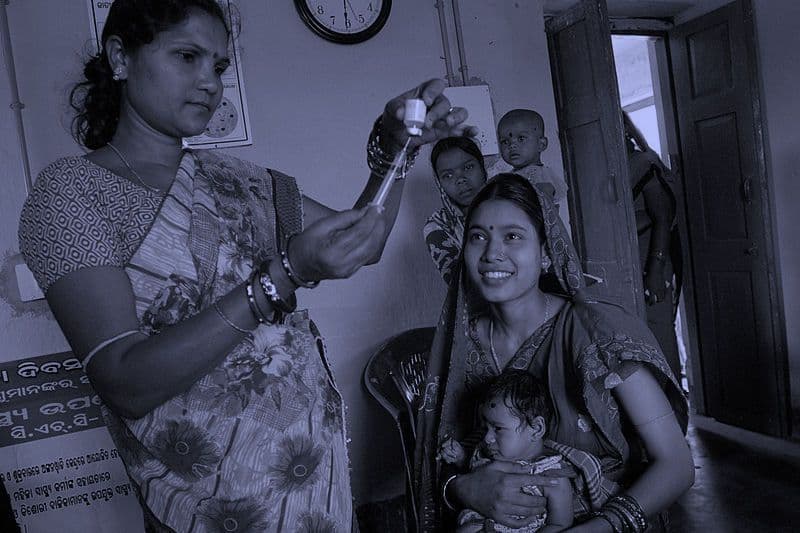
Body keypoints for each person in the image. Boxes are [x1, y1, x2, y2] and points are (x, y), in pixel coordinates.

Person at [17, 1, 474, 531]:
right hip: (209, 509)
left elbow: (361, 242)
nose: (208, 82)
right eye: (186, 56)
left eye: (217, 67)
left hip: (315, 494)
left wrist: (394, 152)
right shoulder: (71, 195)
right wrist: (283, 276)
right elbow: (124, 381)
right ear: (120, 56)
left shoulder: (243, 180)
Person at [414, 174, 694, 532]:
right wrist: (463, 488)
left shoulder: (597, 333)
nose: (491, 253)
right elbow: (440, 459)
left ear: (547, 253)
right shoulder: (461, 344)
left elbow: (676, 464)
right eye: (478, 236)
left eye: (512, 236)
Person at [438, 370, 573, 533]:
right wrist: (460, 457)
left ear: (536, 429)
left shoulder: (551, 476)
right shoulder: (488, 452)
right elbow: (473, 471)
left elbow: (560, 524)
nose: (487, 438)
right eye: (485, 427)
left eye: (498, 428)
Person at [622, 111, 683, 382]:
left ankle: (673, 414)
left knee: (660, 341)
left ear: (624, 130)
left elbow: (662, 218)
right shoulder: (606, 168)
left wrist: (655, 272)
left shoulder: (643, 162)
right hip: (623, 267)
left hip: (652, 262)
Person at [424, 136, 488, 285]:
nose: (460, 179)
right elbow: (460, 285)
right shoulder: (437, 225)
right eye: (448, 175)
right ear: (439, 182)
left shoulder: (510, 204)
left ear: (482, 167)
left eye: (468, 167)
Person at [489, 109, 568, 215]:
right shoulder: (512, 175)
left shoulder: (539, 176)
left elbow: (544, 211)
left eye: (521, 138)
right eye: (505, 141)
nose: (512, 145)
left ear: (541, 144)